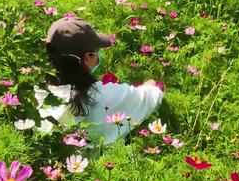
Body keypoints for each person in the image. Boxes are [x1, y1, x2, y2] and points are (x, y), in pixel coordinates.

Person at [34, 17, 164, 146]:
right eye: (96, 53)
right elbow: (150, 97)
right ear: (87, 58)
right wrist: (152, 86)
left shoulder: (35, 93)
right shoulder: (102, 95)